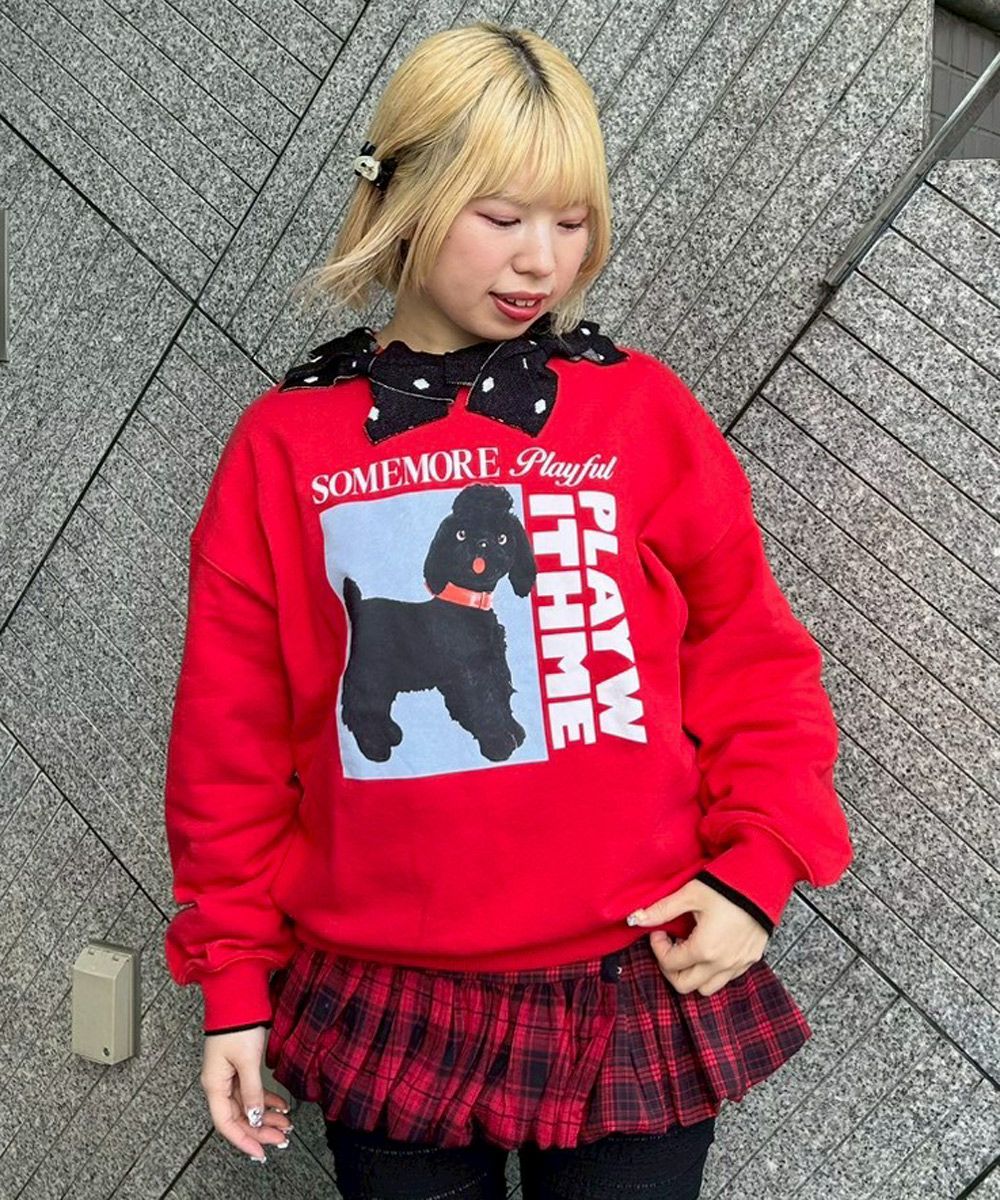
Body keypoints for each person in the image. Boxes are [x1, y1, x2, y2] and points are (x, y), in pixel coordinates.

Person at [162, 19, 854, 1200]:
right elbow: (229, 741)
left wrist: (757, 866)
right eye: (501, 216)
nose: (542, 260)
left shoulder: (638, 412)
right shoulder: (284, 445)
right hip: (387, 989)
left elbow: (752, 656)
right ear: (403, 199)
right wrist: (233, 980)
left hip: (635, 971)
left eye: (571, 221)